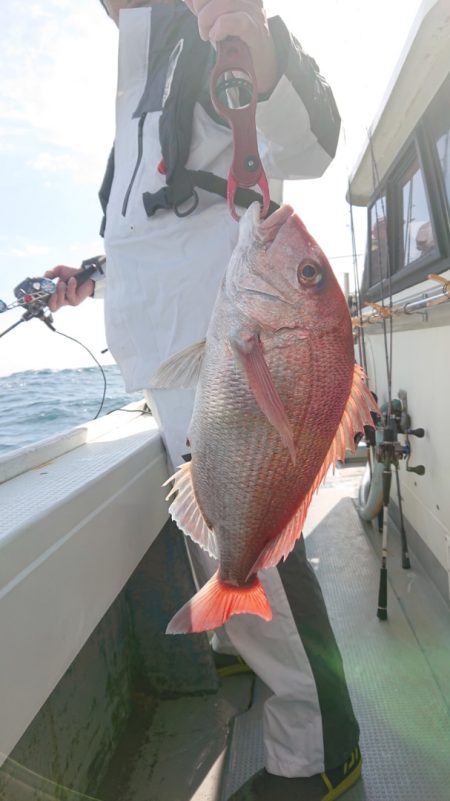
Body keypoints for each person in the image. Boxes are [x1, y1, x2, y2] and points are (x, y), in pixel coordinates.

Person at [46, 2, 362, 799]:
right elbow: (154, 217)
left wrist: (266, 57)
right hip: (166, 359)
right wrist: (94, 274)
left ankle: (324, 756)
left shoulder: (215, 22)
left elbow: (313, 139)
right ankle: (282, 700)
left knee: (268, 565)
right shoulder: (138, 74)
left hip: (220, 346)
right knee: (228, 543)